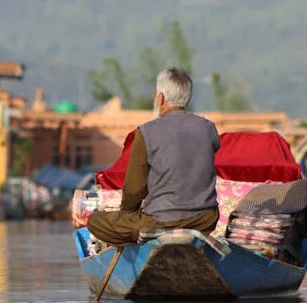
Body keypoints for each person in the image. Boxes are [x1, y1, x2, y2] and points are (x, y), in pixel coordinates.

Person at [86, 67, 220, 246]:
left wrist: (128, 214)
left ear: (161, 98)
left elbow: (134, 189)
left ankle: (148, 238)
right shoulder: (208, 128)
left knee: (95, 221)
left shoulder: (146, 132)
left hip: (161, 221)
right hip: (204, 220)